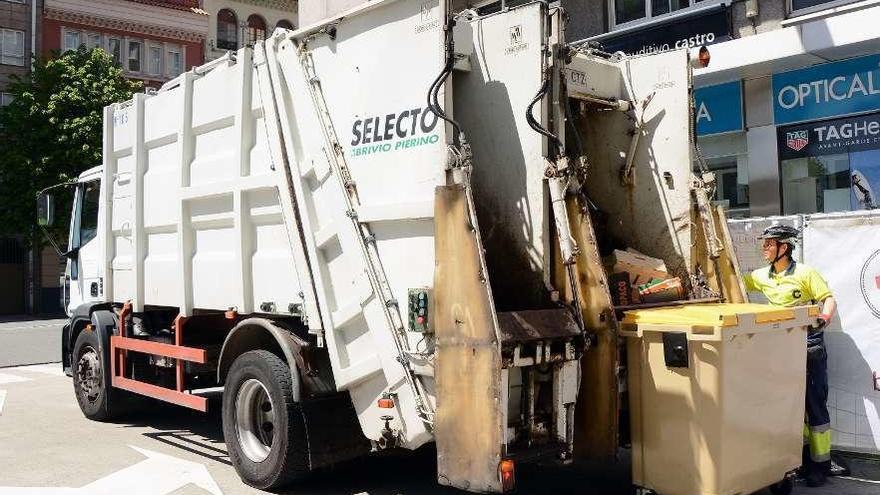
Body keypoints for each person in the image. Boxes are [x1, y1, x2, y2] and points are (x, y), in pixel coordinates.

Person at [743, 225, 837, 488]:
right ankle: (796, 460)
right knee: (787, 406)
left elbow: (828, 299)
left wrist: (824, 317)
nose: (764, 248)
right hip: (780, 346)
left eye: (769, 244)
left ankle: (820, 465)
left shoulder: (806, 273)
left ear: (784, 248)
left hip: (809, 343)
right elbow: (735, 282)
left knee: (814, 404)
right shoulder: (762, 276)